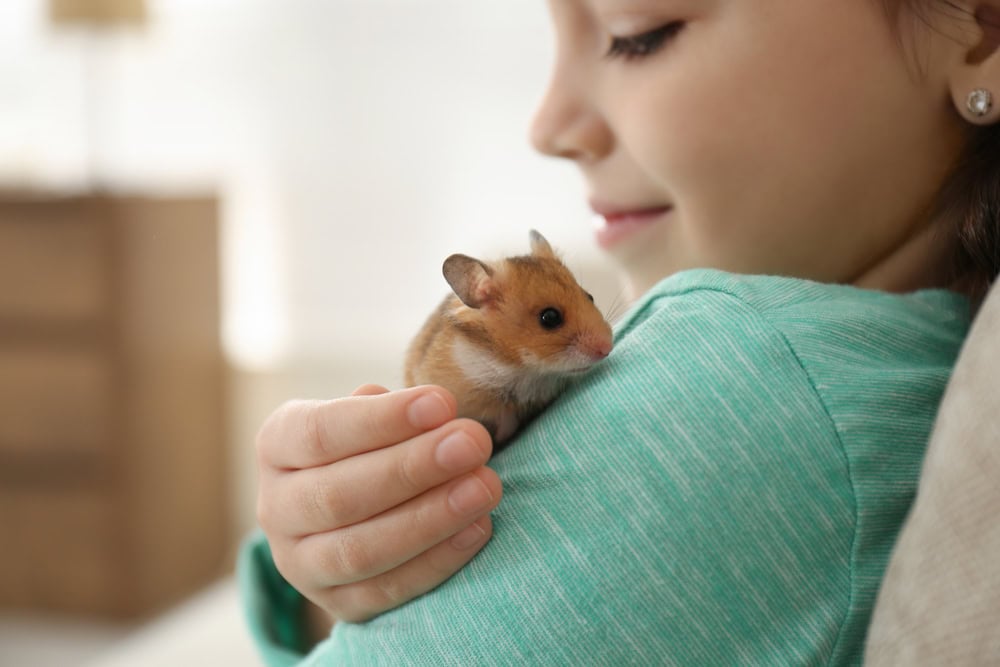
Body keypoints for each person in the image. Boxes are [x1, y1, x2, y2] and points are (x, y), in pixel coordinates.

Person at [239, 1, 1000, 664]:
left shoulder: (743, 368)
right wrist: (330, 580)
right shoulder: (914, 359)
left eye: (639, 33)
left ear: (982, 26)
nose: (546, 126)